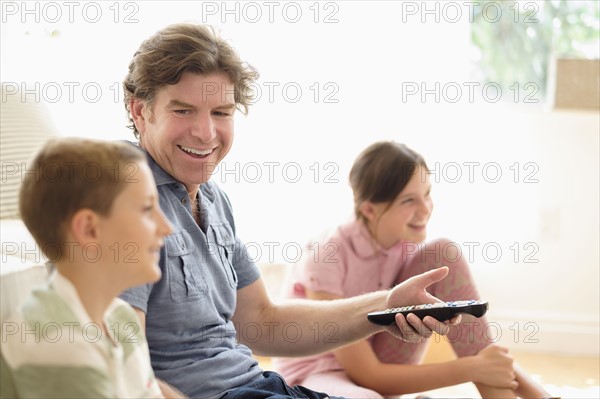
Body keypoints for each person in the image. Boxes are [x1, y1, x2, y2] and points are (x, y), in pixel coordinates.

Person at [118, 23, 460, 399]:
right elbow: (117, 354)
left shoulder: (214, 200)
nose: (206, 133)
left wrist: (386, 303)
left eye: (221, 112)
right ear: (139, 110)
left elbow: (262, 322)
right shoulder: (123, 194)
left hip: (258, 385)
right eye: (183, 110)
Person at [273, 141, 552, 398]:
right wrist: (472, 368)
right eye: (409, 201)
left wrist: (537, 394)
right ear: (369, 210)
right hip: (318, 374)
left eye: (427, 194)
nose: (426, 208)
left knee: (443, 251)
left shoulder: (401, 242)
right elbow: (368, 375)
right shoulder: (326, 253)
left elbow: (487, 358)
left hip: (380, 363)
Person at [0, 138, 174, 398]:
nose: (167, 227)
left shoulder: (120, 317)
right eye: (148, 209)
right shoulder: (58, 343)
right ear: (89, 229)